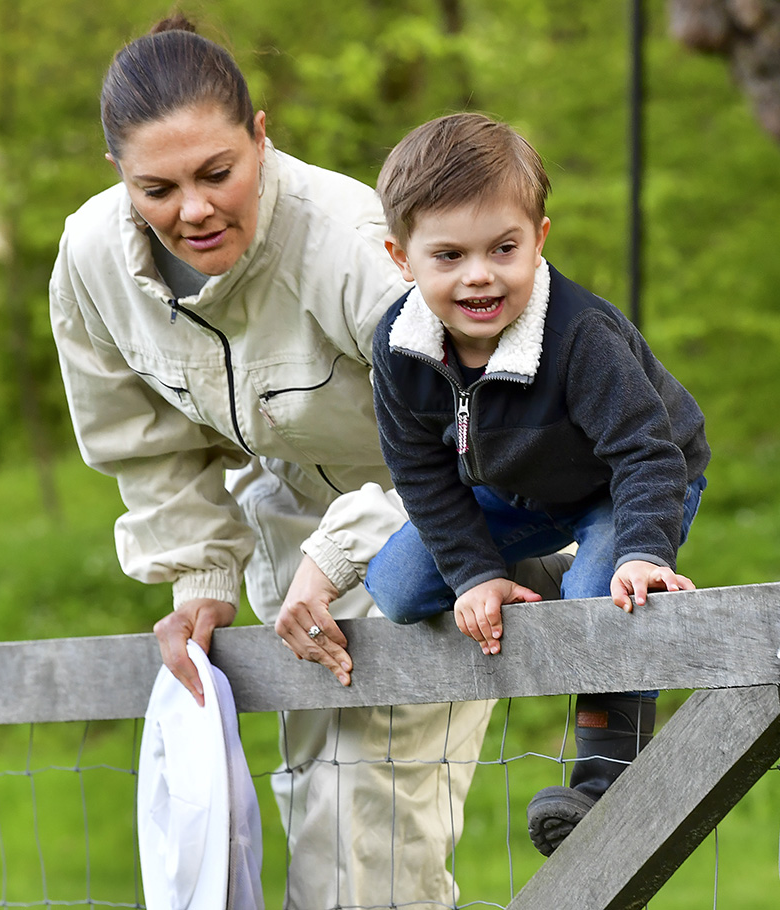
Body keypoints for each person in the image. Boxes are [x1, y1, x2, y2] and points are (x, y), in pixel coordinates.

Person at [49, 18, 496, 908]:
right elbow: (144, 445)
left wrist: (341, 556)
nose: (195, 210)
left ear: (262, 134)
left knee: (366, 844)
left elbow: (483, 433)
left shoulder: (351, 246)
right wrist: (201, 576)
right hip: (286, 525)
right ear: (118, 176)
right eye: (158, 187)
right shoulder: (92, 261)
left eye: (218, 173)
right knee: (312, 810)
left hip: (436, 524)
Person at [364, 112, 710, 856]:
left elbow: (648, 452)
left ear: (539, 239)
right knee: (395, 586)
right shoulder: (400, 349)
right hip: (520, 493)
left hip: (634, 480)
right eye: (449, 255)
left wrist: (643, 551)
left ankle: (604, 783)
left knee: (607, 598)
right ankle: (534, 575)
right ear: (402, 257)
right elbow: (421, 474)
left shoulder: (579, 337)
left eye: (503, 248)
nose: (480, 274)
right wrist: (475, 575)